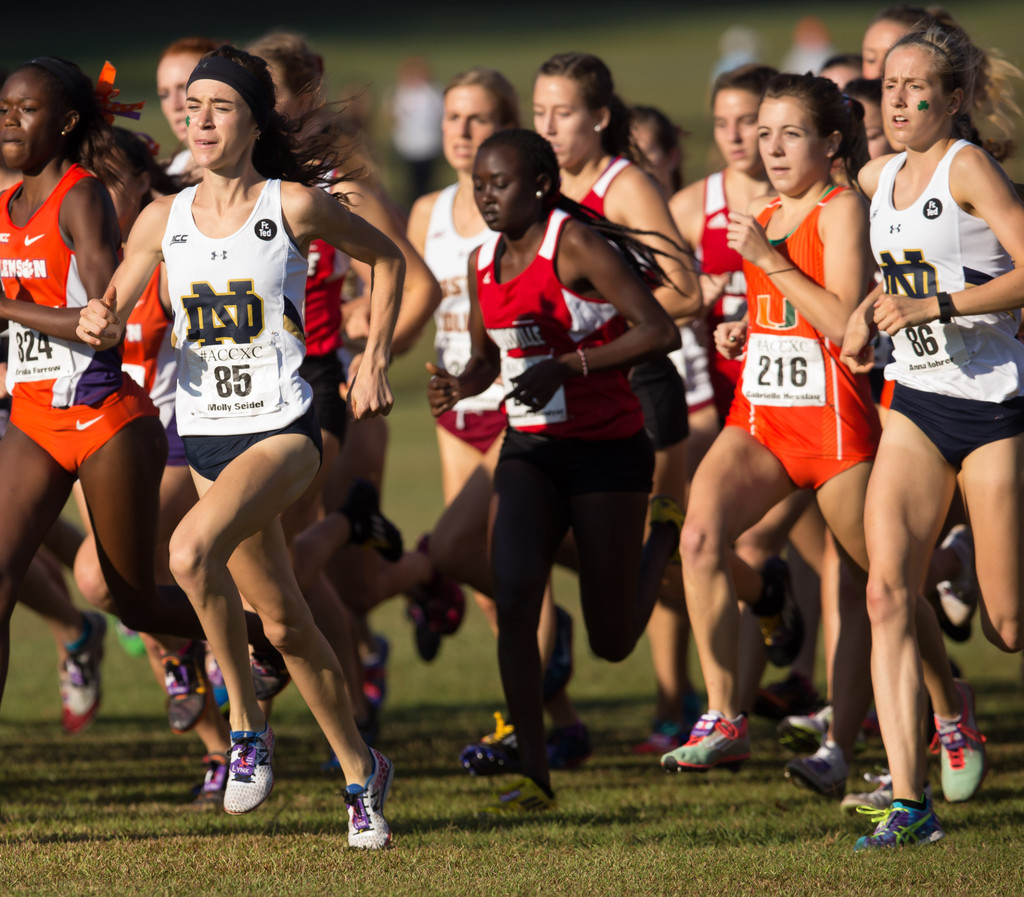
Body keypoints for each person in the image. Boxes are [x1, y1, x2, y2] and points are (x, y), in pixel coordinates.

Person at [77, 46, 405, 848]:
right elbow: (112, 301)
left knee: (190, 553)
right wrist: (100, 319)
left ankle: (246, 729)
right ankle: (364, 774)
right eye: (193, 106)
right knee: (286, 623)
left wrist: (373, 357)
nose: (202, 118)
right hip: (210, 437)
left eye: (221, 105)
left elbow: (388, 259)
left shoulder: (293, 205)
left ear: (255, 120)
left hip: (286, 426)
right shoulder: (164, 217)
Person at [429, 127, 680, 811]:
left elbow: (661, 329)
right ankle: (535, 770)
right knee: (514, 599)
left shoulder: (572, 243)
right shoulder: (484, 262)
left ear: (540, 185)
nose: (485, 195)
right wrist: (461, 382)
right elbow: (491, 356)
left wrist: (570, 364)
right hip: (530, 450)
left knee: (614, 638)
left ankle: (663, 533)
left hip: (607, 449)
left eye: (499, 182)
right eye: (479, 183)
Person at [0, 57, 248, 721]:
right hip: (32, 419)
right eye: (3, 108)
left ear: (67, 122)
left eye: (25, 109)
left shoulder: (81, 196)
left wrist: (9, 308)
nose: (9, 120)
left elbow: (102, 324)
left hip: (104, 420)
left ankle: (262, 639)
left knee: (133, 600)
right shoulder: (4, 204)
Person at [663, 73, 882, 788]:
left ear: (829, 142)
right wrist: (743, 327)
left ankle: (944, 713)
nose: (773, 147)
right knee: (697, 536)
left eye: (791, 133)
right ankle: (724, 715)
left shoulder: (842, 209)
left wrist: (766, 261)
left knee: (878, 589)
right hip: (761, 417)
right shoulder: (763, 210)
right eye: (766, 133)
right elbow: (784, 316)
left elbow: (844, 323)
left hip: (835, 424)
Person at [841, 21, 1024, 850]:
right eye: (892, 88)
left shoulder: (969, 167)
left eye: (921, 89)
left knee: (1007, 625)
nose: (903, 100)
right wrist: (860, 318)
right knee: (886, 591)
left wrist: (937, 306)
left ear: (953, 99)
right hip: (916, 402)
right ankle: (910, 804)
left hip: (995, 409)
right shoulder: (880, 175)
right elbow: (893, 277)